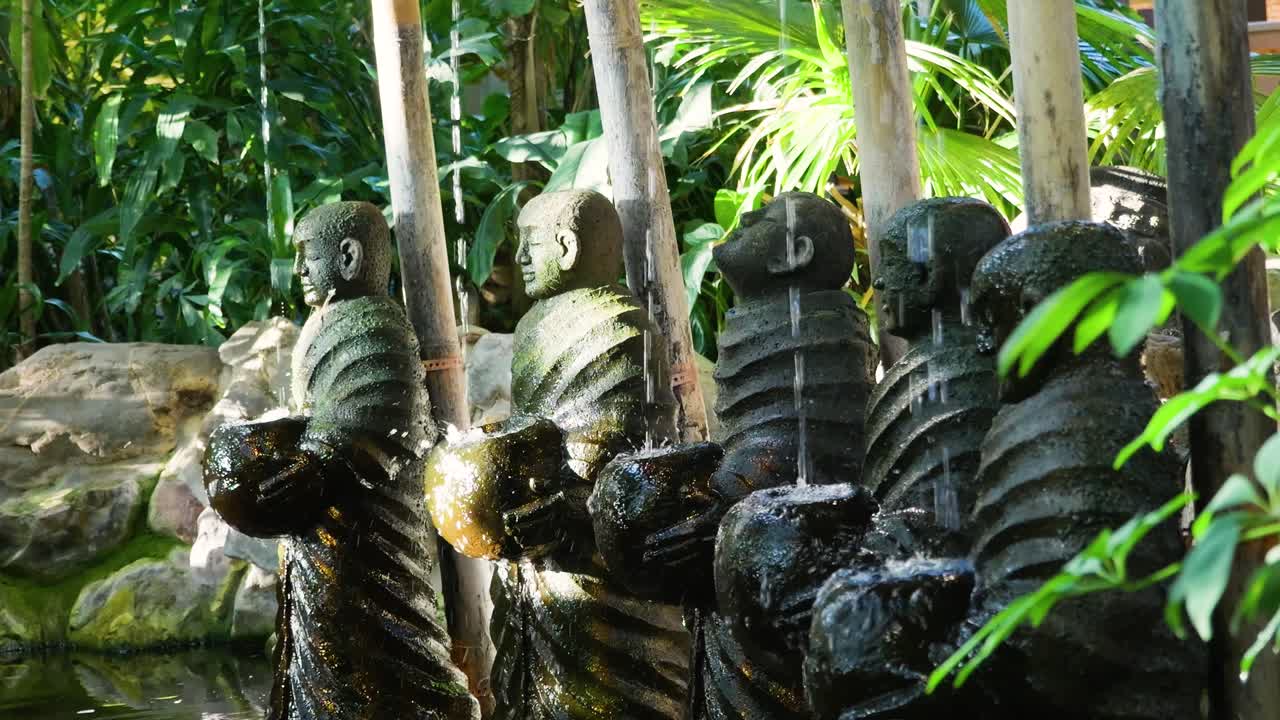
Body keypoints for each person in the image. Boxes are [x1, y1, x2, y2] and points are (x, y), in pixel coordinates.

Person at [203, 202, 478, 720]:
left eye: (308, 255)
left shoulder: (374, 325)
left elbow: (381, 416)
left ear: (348, 257)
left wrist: (318, 464)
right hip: (326, 521)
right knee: (328, 642)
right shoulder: (330, 321)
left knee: (378, 639)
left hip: (369, 522)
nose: (298, 270)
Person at [425, 190, 689, 720]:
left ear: (567, 248)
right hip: (538, 531)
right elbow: (538, 426)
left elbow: (626, 446)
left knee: (606, 681)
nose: (520, 257)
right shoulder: (534, 327)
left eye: (531, 243)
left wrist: (572, 502)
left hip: (595, 538)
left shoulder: (621, 326)